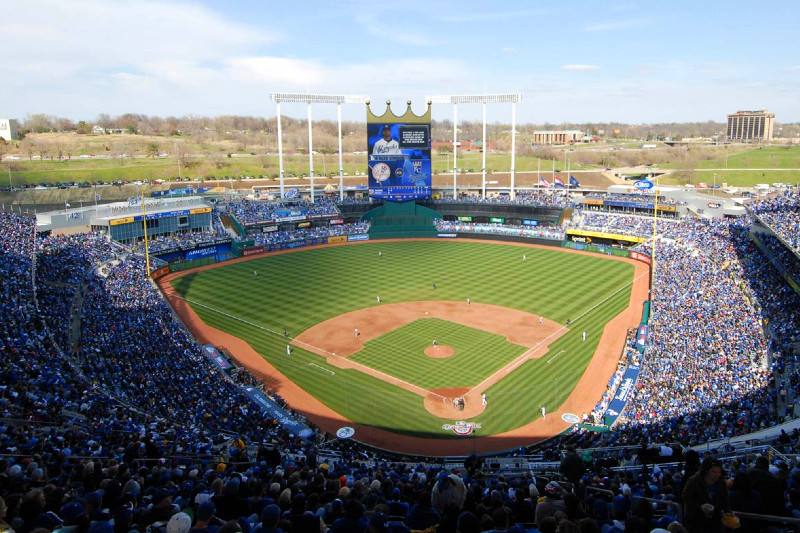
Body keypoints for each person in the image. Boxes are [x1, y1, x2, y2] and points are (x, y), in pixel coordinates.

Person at [682, 456, 731, 533]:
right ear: (706, 471)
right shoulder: (694, 481)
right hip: (696, 522)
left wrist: (728, 513)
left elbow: (725, 501)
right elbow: (686, 498)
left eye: (719, 472)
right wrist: (700, 507)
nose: (717, 475)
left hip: (715, 521)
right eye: (714, 472)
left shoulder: (721, 482)